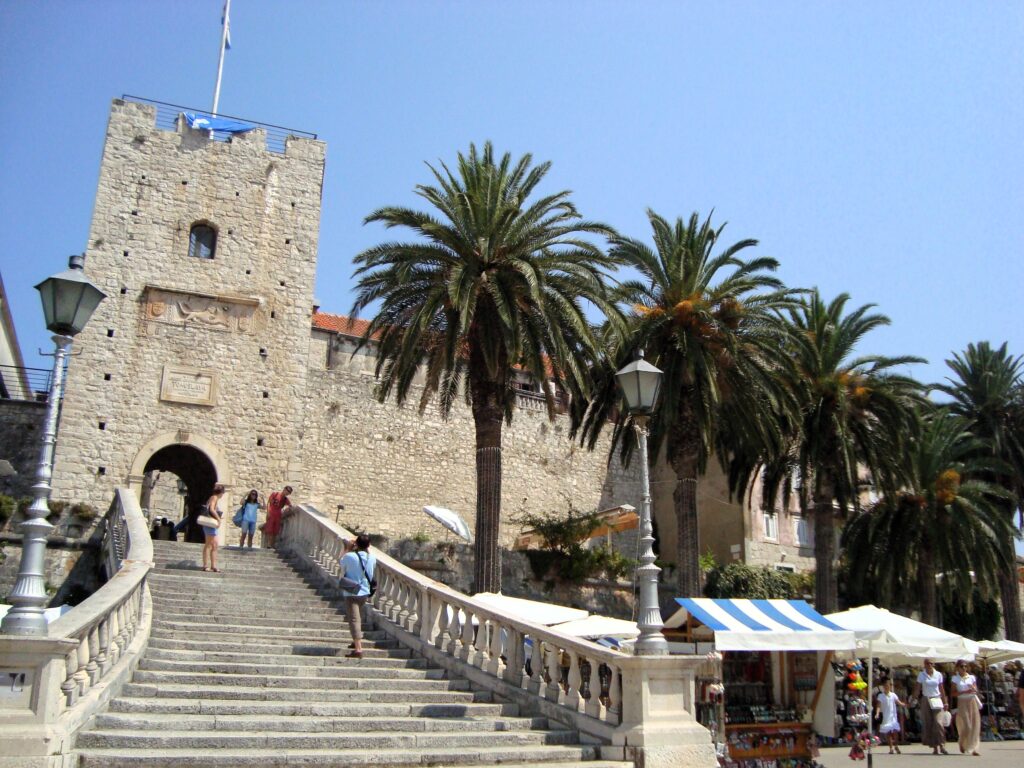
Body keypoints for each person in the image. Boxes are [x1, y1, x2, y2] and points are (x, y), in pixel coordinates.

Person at [339, 533, 375, 659]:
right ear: (369, 545)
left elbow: (341, 562)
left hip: (352, 591)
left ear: (357, 544)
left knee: (354, 619)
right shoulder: (372, 558)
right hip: (365, 591)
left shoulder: (349, 556)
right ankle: (355, 641)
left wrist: (348, 548)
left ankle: (358, 649)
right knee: (357, 616)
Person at [913, 658, 949, 755]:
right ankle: (935, 747)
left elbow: (941, 688)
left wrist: (945, 702)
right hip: (926, 699)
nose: (929, 665)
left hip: (936, 699)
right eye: (927, 663)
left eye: (931, 663)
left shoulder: (938, 674)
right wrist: (913, 699)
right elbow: (917, 688)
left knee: (938, 723)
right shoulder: (921, 675)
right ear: (924, 664)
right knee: (929, 723)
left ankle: (942, 744)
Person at [951, 660, 982, 756]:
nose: (964, 668)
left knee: (975, 724)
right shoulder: (955, 678)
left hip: (972, 701)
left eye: (965, 666)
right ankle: (962, 742)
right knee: (967, 725)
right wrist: (964, 692)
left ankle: (974, 748)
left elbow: (975, 689)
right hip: (962, 701)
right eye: (961, 666)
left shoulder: (971, 677)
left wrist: (973, 689)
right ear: (957, 668)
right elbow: (953, 693)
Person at [875, 678, 904, 754]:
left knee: (895, 732)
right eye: (885, 686)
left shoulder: (893, 695)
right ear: (883, 687)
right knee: (888, 733)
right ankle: (891, 748)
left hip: (893, 716)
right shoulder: (881, 696)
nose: (887, 687)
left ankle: (896, 746)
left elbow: (899, 703)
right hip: (886, 716)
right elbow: (878, 706)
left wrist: (905, 705)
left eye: (888, 685)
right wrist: (877, 713)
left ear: (890, 686)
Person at [200, 484, 225, 573]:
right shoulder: (214, 497)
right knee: (209, 544)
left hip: (211, 525)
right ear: (221, 492)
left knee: (214, 545)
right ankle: (205, 565)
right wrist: (218, 518)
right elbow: (211, 509)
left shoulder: (213, 498)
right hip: (210, 524)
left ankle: (213, 565)